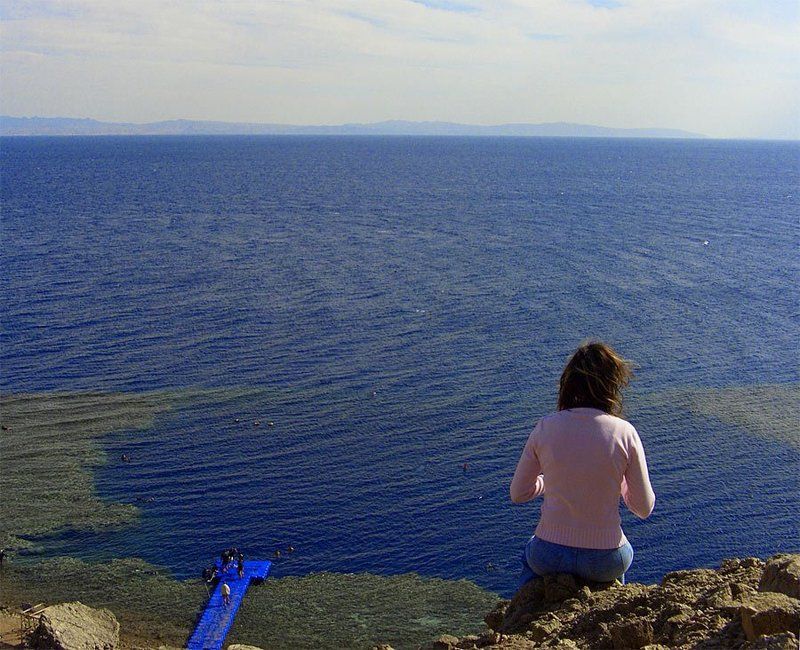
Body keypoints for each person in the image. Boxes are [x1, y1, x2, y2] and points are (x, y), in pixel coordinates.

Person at [510, 341, 655, 588]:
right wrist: (619, 483)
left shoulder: (545, 426)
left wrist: (547, 482)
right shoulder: (625, 433)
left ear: (568, 383)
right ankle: (610, 605)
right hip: (605, 558)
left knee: (530, 559)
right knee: (616, 568)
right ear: (612, 385)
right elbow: (644, 508)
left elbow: (518, 493)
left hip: (549, 554)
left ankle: (526, 607)